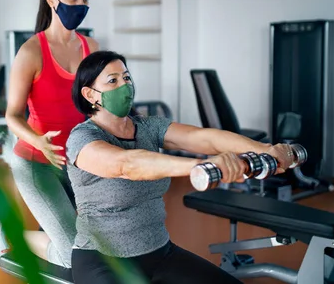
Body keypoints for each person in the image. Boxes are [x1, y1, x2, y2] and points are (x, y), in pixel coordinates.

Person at [65, 50, 294, 283]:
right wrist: (201, 165)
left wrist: (265, 149)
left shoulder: (147, 127)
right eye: (112, 80)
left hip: (161, 253)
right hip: (104, 262)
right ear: (89, 94)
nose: (124, 85)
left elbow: (205, 138)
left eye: (126, 77)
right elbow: (127, 165)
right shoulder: (82, 138)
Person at [0, 0, 99, 269]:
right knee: (71, 256)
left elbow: (94, 103)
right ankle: (12, 236)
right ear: (52, 0)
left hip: (78, 161)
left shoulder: (90, 48)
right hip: (36, 163)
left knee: (102, 242)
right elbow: (12, 115)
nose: (81, 6)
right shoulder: (31, 51)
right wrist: (38, 140)